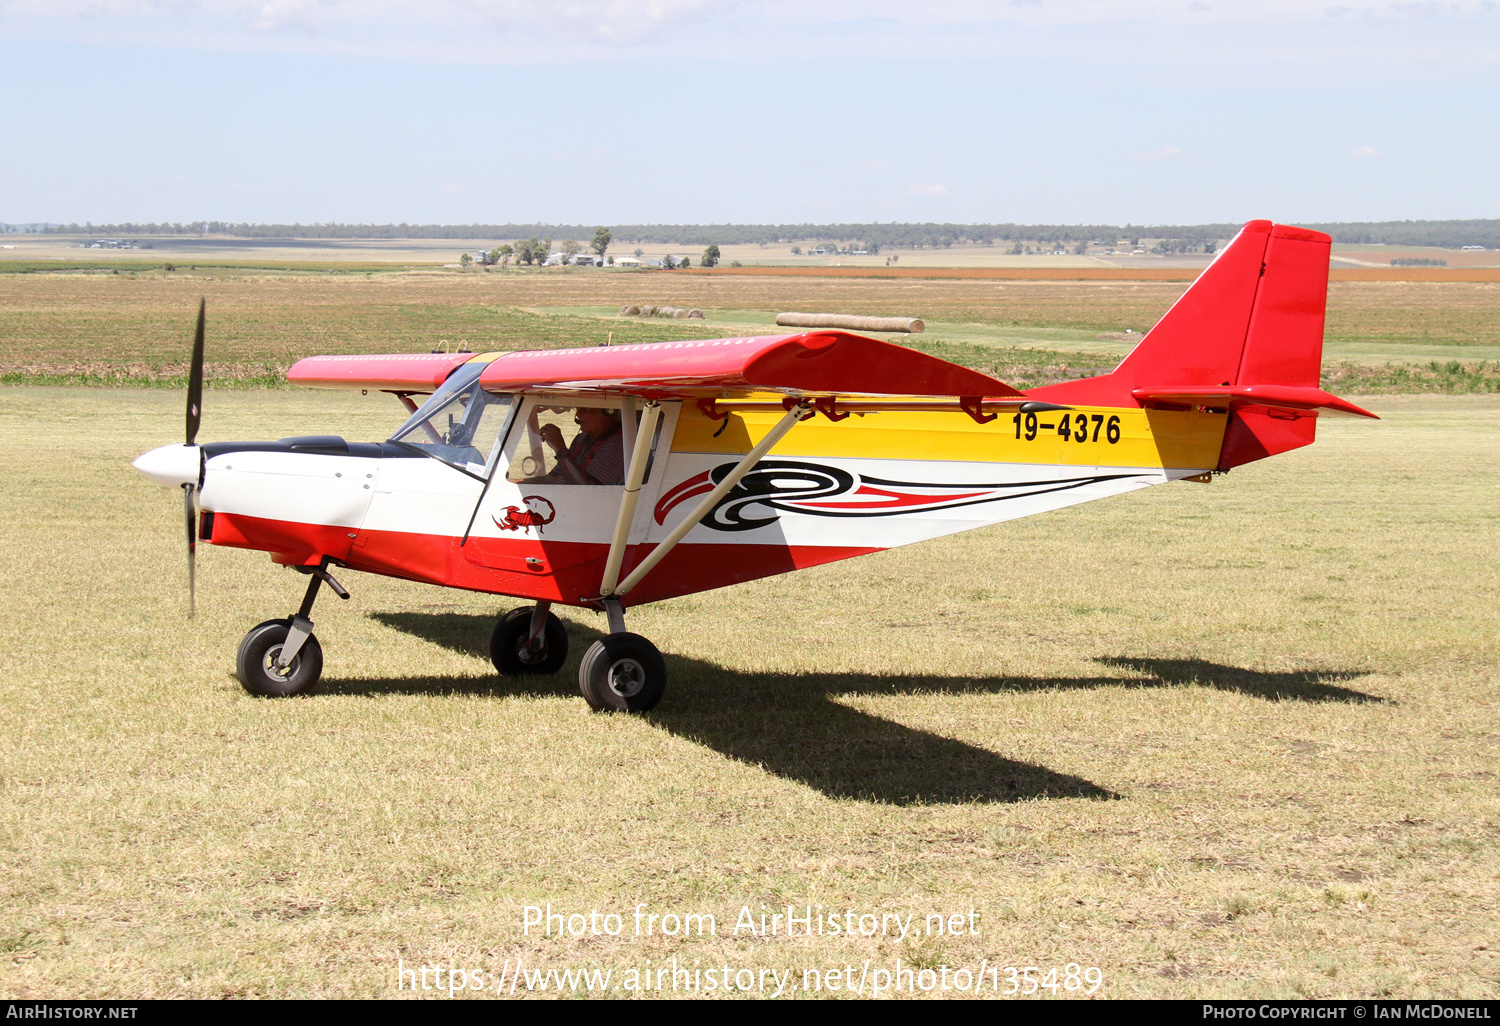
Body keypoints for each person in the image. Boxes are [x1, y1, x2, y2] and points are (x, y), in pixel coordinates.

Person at [537, 407, 625, 485]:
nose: (577, 414)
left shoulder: (617, 446)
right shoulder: (582, 438)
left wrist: (560, 448)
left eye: (585, 409)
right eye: (578, 409)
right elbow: (551, 478)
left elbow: (584, 489)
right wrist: (523, 484)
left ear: (609, 411)